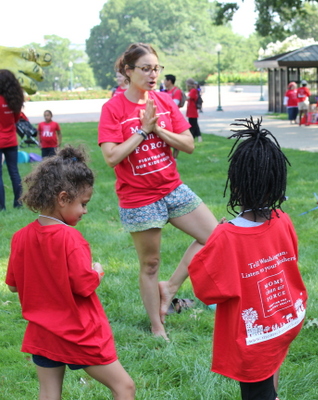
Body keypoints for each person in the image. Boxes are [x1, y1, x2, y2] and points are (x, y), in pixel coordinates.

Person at [98, 43, 218, 340]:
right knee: (150, 264)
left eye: (156, 68)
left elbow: (188, 144)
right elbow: (111, 157)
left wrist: (157, 130)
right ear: (128, 71)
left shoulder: (165, 101)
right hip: (139, 197)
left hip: (172, 187)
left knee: (215, 237)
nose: (153, 74)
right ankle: (157, 327)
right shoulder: (113, 109)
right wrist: (141, 131)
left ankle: (171, 287)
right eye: (146, 68)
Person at [188, 117, 307, 400]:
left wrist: (204, 242)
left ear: (237, 184)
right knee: (270, 383)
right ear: (277, 184)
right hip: (288, 319)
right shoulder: (283, 219)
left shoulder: (226, 236)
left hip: (254, 340)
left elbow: (205, 290)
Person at [5, 146, 135, 400]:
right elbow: (83, 285)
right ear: (63, 199)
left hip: (42, 334)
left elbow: (12, 286)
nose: (85, 211)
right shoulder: (70, 238)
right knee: (124, 387)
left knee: (49, 393)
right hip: (78, 333)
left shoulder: (20, 237)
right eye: (83, 204)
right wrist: (96, 272)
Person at [0, 69, 24, 211]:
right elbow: (16, 119)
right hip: (11, 141)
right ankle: (18, 203)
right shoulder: (15, 99)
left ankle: (1, 207)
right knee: (14, 172)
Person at [185, 78, 202, 143]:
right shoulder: (193, 90)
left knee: (193, 126)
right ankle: (196, 137)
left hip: (192, 112)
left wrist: (182, 97)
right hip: (191, 111)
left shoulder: (193, 90)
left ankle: (194, 137)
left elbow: (188, 97)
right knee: (194, 125)